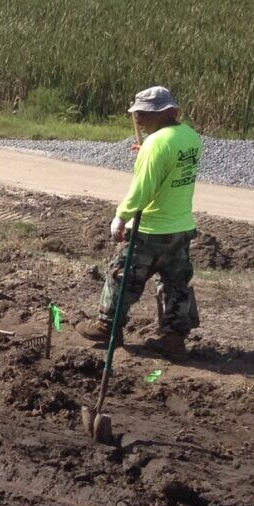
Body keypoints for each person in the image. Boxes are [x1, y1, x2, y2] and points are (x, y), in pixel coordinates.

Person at [79, 86, 203, 358]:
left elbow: (143, 188)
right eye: (138, 114)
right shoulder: (189, 137)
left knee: (121, 276)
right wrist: (147, 154)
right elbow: (170, 168)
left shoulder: (157, 144)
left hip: (150, 228)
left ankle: (107, 326)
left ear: (166, 113)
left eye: (144, 114)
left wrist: (121, 216)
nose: (138, 120)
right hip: (181, 226)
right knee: (175, 283)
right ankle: (173, 339)